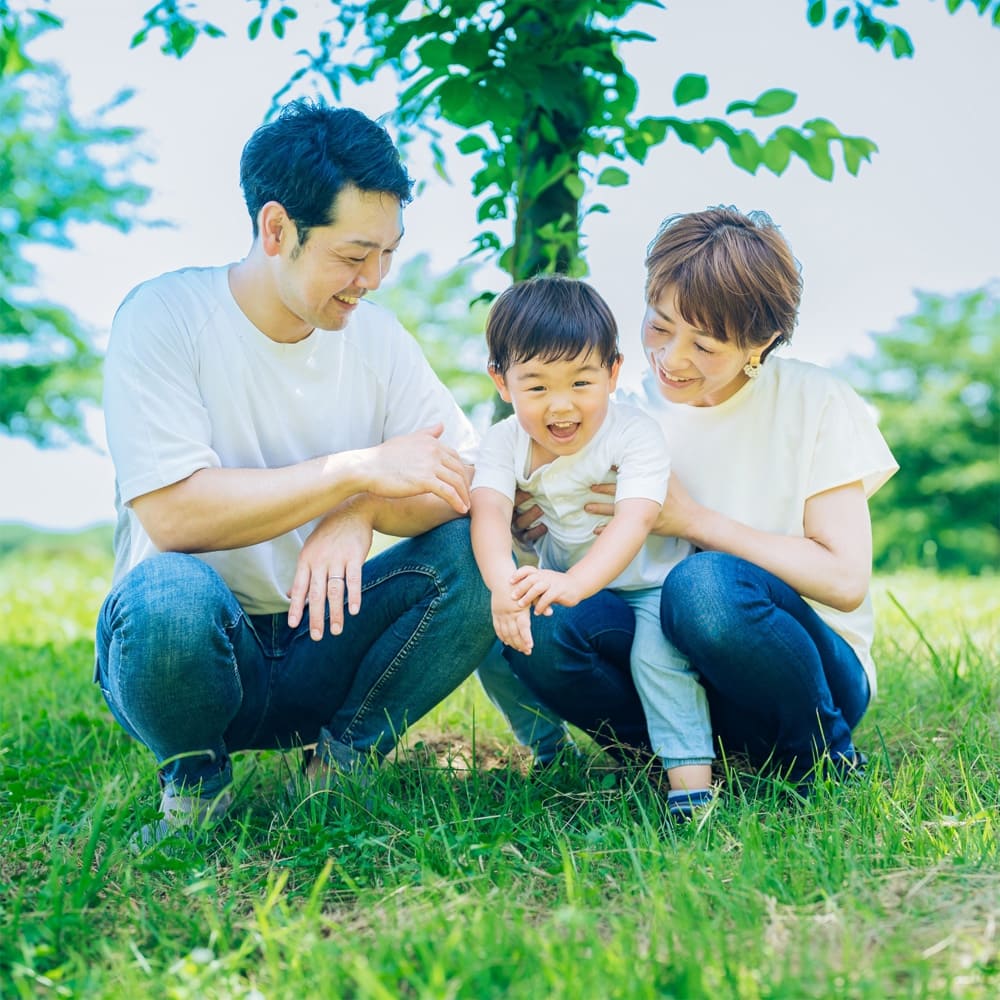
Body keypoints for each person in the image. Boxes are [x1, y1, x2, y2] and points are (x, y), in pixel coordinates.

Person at [95, 99, 495, 844]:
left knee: (484, 547)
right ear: (276, 229)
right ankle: (195, 778)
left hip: (324, 633)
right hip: (197, 647)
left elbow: (465, 475)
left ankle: (343, 762)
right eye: (352, 255)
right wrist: (355, 470)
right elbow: (175, 516)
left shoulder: (377, 339)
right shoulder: (164, 317)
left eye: (388, 253)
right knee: (164, 593)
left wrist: (360, 508)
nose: (373, 277)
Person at [494, 206, 898, 796]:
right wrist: (530, 521)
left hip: (803, 670)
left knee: (701, 588)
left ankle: (819, 753)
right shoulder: (613, 407)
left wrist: (693, 521)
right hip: (666, 668)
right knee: (541, 621)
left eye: (705, 345)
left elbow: (843, 580)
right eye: (659, 327)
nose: (673, 358)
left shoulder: (815, 402)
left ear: (760, 343)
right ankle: (667, 756)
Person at [470, 275, 715, 815]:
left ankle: (691, 789)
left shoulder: (633, 432)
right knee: (491, 642)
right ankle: (548, 749)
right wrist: (500, 586)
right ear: (501, 382)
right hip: (571, 587)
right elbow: (487, 514)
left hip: (652, 587)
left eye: (581, 383)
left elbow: (634, 521)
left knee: (660, 661)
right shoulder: (502, 442)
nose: (561, 407)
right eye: (536, 387)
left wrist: (573, 583)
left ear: (613, 372)